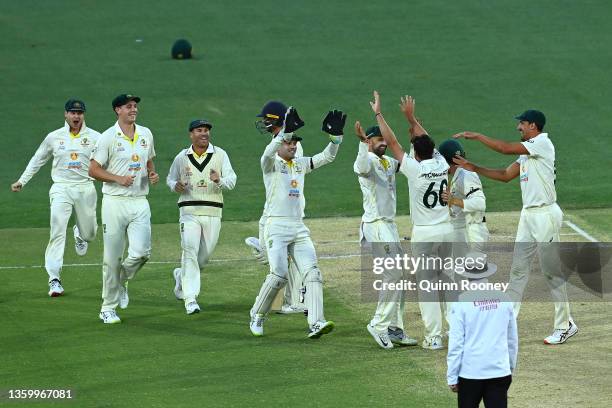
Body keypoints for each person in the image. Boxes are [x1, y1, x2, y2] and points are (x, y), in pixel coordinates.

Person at [453, 109, 577, 344]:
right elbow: (504, 175)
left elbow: (503, 148)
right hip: (528, 215)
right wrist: (473, 167)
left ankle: (565, 324)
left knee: (551, 273)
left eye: (522, 123)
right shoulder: (527, 153)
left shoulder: (541, 143)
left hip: (545, 215)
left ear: (533, 126)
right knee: (518, 271)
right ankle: (505, 323)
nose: (518, 127)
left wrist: (478, 136)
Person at [249, 106, 346, 339]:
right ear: (280, 144)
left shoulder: (301, 163)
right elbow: (267, 153)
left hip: (298, 227)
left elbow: (328, 157)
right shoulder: (270, 164)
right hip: (276, 226)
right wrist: (284, 133)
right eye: (289, 142)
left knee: (313, 274)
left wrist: (335, 139)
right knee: (279, 275)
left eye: (295, 143)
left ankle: (316, 322)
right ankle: (258, 314)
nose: (293, 146)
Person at [370, 91, 453, 350]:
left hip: (425, 234)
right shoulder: (441, 163)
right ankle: (458, 329)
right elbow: (424, 138)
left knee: (427, 287)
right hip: (447, 230)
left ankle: (434, 337)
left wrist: (379, 114)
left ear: (415, 153)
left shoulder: (415, 170)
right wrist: (411, 118)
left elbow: (393, 143)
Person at [11, 99, 100, 297]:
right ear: (65, 115)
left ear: (83, 115)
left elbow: (108, 161)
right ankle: (54, 279)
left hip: (86, 188)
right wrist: (22, 181)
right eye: (72, 112)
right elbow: (38, 159)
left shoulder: (95, 137)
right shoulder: (54, 137)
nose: (76, 116)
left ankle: (80, 233)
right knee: (57, 231)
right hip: (61, 188)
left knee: (91, 234)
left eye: (79, 113)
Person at [89, 94, 158, 324]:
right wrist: (117, 178)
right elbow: (93, 169)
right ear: (117, 110)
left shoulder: (146, 133)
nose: (134, 109)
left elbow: (149, 160)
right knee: (112, 258)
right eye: (128, 106)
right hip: (114, 202)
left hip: (140, 201)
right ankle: (107, 307)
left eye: (135, 106)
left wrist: (152, 173)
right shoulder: (108, 137)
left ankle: (119, 282)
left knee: (141, 253)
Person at [354, 122, 418, 349]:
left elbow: (409, 164)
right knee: (393, 274)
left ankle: (394, 328)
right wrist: (362, 144)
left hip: (389, 226)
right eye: (377, 139)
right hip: (376, 224)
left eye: (384, 139)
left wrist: (412, 138)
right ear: (369, 141)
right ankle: (379, 325)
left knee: (400, 274)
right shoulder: (368, 161)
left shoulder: (388, 162)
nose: (383, 143)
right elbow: (360, 168)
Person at [167, 119, 237, 315]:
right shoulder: (182, 157)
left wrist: (219, 180)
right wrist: (176, 186)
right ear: (191, 134)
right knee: (189, 251)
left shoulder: (220, 154)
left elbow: (232, 180)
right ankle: (191, 299)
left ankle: (181, 277)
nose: (204, 133)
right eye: (199, 130)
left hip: (213, 211)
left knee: (203, 258)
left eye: (206, 130)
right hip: (188, 211)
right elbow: (170, 178)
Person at [244, 100, 306, 315]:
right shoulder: (275, 143)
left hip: (288, 213)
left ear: (277, 121)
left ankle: (285, 303)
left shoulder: (292, 145)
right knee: (281, 263)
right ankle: (286, 302)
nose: (263, 123)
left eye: (266, 119)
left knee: (283, 262)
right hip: (275, 214)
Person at [447, 252, 518, 408]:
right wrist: (510, 367)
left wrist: (452, 376)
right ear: (487, 272)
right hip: (500, 371)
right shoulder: (505, 299)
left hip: (470, 374)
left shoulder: (461, 302)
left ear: (466, 275)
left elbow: (456, 344)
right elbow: (512, 339)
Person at [438, 139, 489, 252]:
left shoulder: (466, 176)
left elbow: (480, 203)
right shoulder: (460, 175)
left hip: (471, 234)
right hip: (465, 232)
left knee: (464, 269)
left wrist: (453, 200)